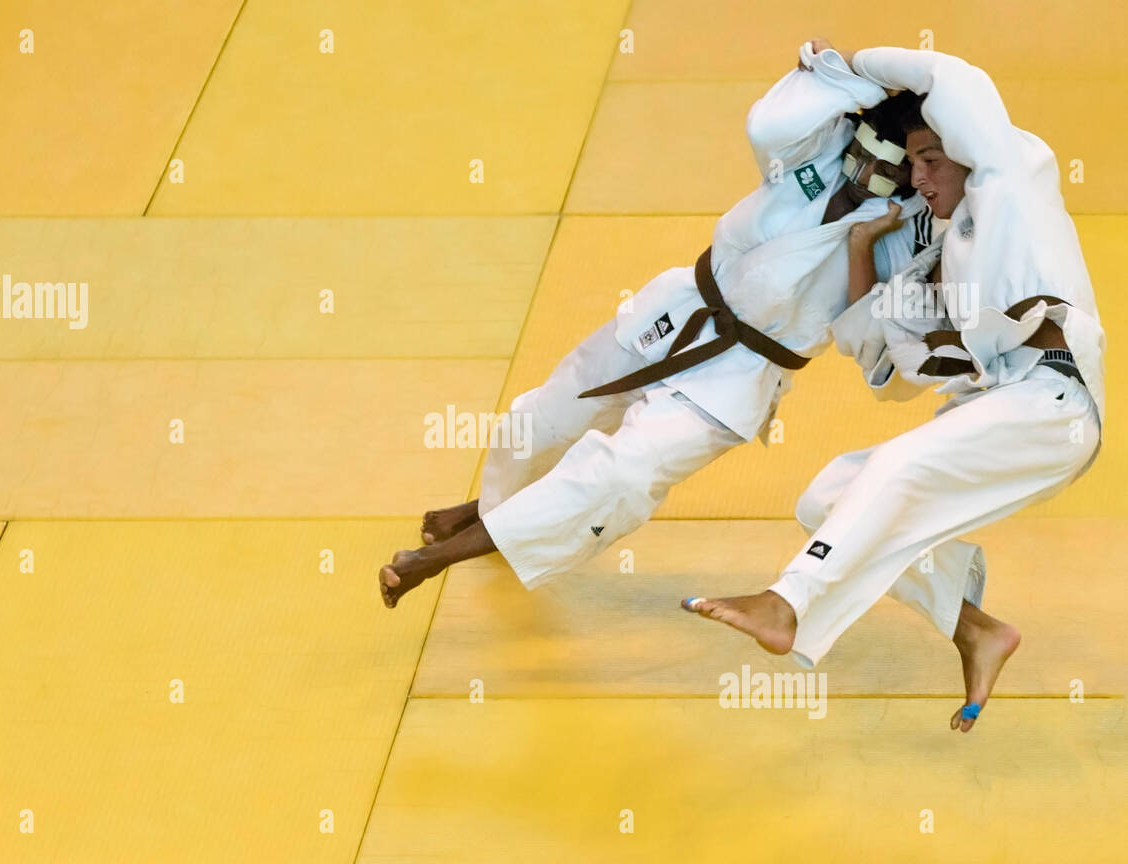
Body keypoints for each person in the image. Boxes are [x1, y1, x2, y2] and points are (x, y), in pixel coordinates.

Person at [379, 39, 933, 608]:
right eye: (865, 154)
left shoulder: (907, 228)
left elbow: (872, 327)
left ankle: (437, 558)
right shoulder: (820, 150)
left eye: (895, 168)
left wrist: (867, 243)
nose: (868, 173)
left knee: (621, 477)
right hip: (677, 309)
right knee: (543, 420)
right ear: (855, 134)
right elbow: (767, 127)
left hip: (742, 375)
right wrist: (848, 83)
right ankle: (492, 514)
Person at [686, 45, 1106, 733]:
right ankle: (976, 630)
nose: (920, 175)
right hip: (1001, 405)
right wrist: (860, 250)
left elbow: (955, 77)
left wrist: (852, 65)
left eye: (932, 158)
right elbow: (882, 369)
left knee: (898, 468)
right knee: (824, 496)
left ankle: (787, 602)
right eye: (912, 165)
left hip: (1053, 402)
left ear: (970, 149)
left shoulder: (1010, 182)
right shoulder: (941, 252)